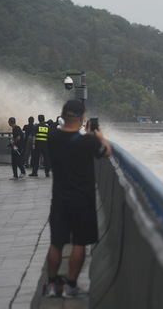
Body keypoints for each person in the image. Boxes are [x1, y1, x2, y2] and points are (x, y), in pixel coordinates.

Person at [45, 99, 111, 298]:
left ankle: (51, 285)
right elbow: (106, 152)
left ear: (63, 116)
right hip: (82, 200)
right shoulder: (88, 141)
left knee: (56, 242)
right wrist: (99, 137)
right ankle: (70, 286)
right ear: (82, 119)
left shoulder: (52, 137)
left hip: (59, 199)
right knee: (79, 243)